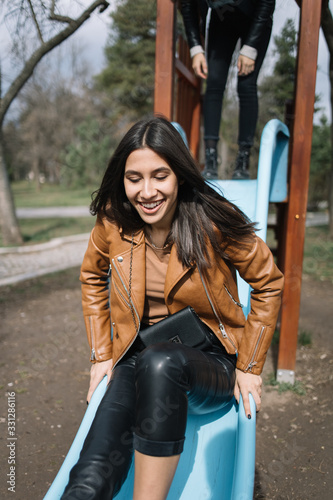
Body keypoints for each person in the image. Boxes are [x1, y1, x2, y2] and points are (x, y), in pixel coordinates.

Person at [61, 116, 283, 500]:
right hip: (139, 357)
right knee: (88, 480)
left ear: (178, 174)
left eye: (159, 175)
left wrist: (249, 366)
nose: (146, 191)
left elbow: (269, 281)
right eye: (134, 178)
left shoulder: (213, 220)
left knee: (161, 361)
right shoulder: (114, 222)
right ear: (123, 179)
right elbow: (92, 277)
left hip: (210, 362)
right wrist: (101, 354)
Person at [180, 0, 275, 180]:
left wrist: (251, 46)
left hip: (256, 19)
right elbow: (188, 6)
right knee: (214, 83)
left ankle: (243, 160)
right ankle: (210, 160)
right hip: (222, 20)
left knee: (246, 85)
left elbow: (267, 3)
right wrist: (195, 48)